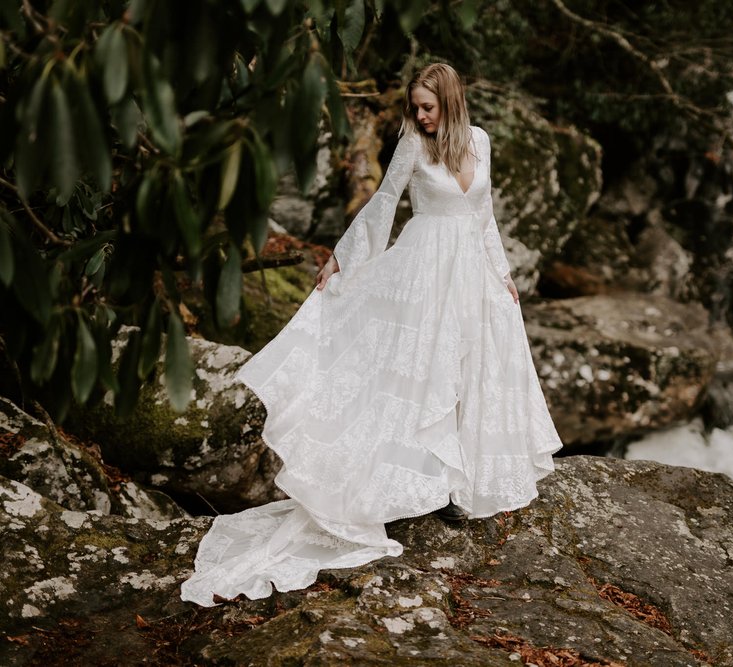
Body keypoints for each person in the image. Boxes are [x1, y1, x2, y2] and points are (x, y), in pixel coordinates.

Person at [180, 63, 563, 607]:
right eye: (415, 107)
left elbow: (485, 216)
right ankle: (421, 485)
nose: (420, 115)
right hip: (422, 271)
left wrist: (501, 274)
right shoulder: (413, 143)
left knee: (470, 368)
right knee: (419, 373)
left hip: (470, 274)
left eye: (428, 107)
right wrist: (344, 258)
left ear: (450, 103)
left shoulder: (478, 140)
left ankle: (458, 485)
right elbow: (384, 202)